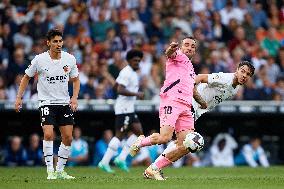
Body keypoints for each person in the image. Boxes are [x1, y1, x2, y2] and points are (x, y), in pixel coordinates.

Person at [150, 61, 255, 179]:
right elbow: (199, 77)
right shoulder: (225, 78)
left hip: (195, 110)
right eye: (242, 71)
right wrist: (194, 95)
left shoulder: (236, 88)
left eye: (248, 74)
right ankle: (154, 167)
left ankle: (153, 167)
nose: (244, 75)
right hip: (190, 104)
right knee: (186, 144)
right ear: (237, 70)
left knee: (180, 143)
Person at [130, 37, 207, 180]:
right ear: (182, 47)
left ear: (195, 50)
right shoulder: (178, 56)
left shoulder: (191, 68)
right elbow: (169, 53)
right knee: (165, 137)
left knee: (186, 145)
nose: (189, 48)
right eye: (187, 45)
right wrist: (172, 48)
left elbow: (192, 89)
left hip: (186, 107)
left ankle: (154, 169)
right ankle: (140, 142)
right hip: (172, 101)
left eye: (192, 46)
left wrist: (203, 103)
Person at [14, 29, 80, 180]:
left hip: (64, 102)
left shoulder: (70, 59)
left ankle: (60, 171)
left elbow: (76, 80)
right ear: (48, 43)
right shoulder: (39, 59)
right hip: (46, 102)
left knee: (68, 137)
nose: (58, 44)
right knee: (49, 134)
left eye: (60, 41)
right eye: (55, 41)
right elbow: (26, 78)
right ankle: (50, 170)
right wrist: (19, 98)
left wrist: (74, 98)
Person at [98, 49, 145, 173]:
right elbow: (119, 90)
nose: (137, 62)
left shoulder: (132, 73)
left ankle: (121, 158)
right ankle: (104, 162)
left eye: (139, 61)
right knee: (119, 135)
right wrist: (136, 93)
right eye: (135, 60)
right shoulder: (126, 72)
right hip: (123, 109)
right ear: (129, 61)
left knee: (139, 134)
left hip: (129, 109)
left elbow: (115, 87)